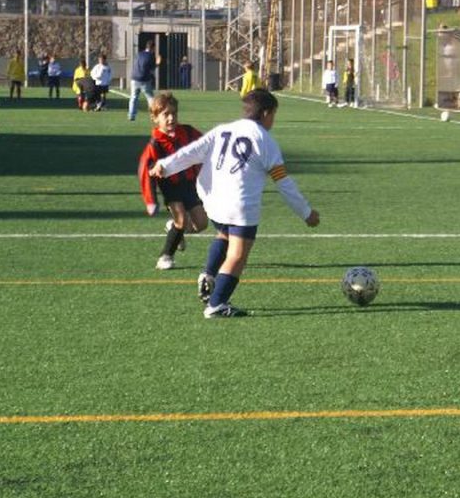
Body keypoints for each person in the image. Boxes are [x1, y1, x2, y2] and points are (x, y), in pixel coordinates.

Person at [148, 89, 321, 318]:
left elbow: (192, 152)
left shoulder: (222, 130)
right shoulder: (265, 140)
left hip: (213, 201)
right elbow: (284, 183)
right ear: (266, 113)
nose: (273, 120)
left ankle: (209, 274)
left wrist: (166, 165)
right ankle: (217, 304)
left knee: (224, 234)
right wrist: (306, 212)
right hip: (240, 206)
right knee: (237, 255)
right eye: (273, 115)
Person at [138, 92, 209, 270]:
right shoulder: (155, 144)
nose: (171, 118)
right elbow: (145, 172)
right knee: (181, 219)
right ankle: (165, 256)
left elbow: (206, 143)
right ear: (155, 118)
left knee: (201, 224)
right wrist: (151, 201)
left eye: (174, 113)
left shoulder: (188, 132)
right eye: (166, 114)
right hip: (171, 186)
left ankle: (175, 229)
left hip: (191, 185)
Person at [128, 40, 159, 121]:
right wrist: (157, 64)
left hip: (134, 78)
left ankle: (131, 116)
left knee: (133, 98)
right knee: (150, 98)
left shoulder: (139, 54)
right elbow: (152, 70)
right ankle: (153, 115)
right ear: (153, 48)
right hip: (144, 79)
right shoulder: (151, 56)